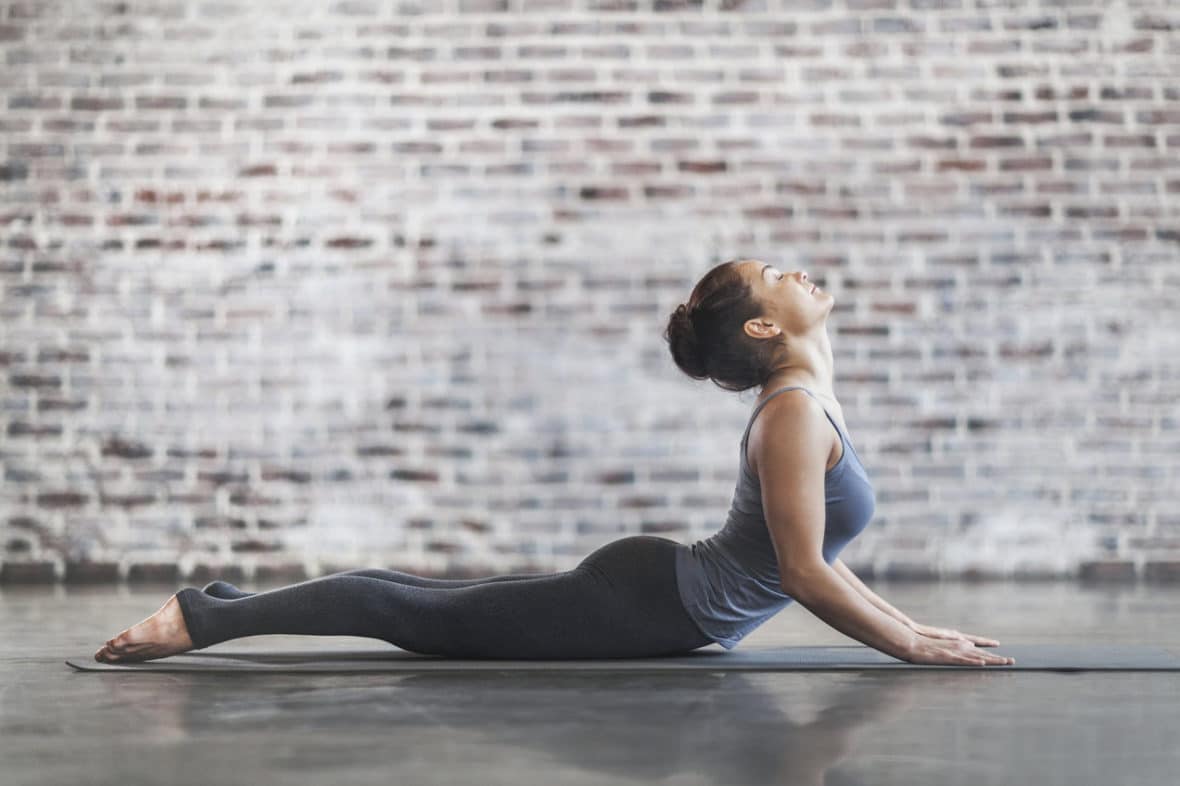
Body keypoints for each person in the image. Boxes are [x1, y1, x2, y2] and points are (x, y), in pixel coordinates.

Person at [95, 258, 1013, 666]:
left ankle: (211, 606)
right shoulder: (792, 419)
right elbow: (805, 574)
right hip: (649, 601)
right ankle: (198, 621)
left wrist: (920, 628)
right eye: (780, 273)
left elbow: (815, 560)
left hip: (655, 593)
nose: (801, 272)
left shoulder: (805, 409)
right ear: (767, 326)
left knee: (420, 600)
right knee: (410, 613)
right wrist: (906, 646)